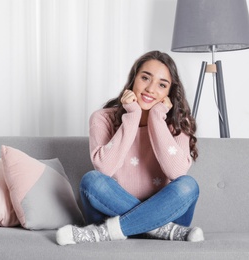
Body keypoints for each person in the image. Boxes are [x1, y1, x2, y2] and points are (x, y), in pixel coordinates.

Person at [56, 50, 204, 245]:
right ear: (133, 79)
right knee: (91, 181)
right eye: (145, 78)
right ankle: (160, 230)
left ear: (170, 92)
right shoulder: (103, 118)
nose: (151, 89)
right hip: (117, 213)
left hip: (162, 213)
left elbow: (176, 172)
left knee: (188, 185)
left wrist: (157, 119)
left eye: (162, 84)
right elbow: (105, 168)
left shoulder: (178, 123)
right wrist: (132, 116)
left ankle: (103, 233)